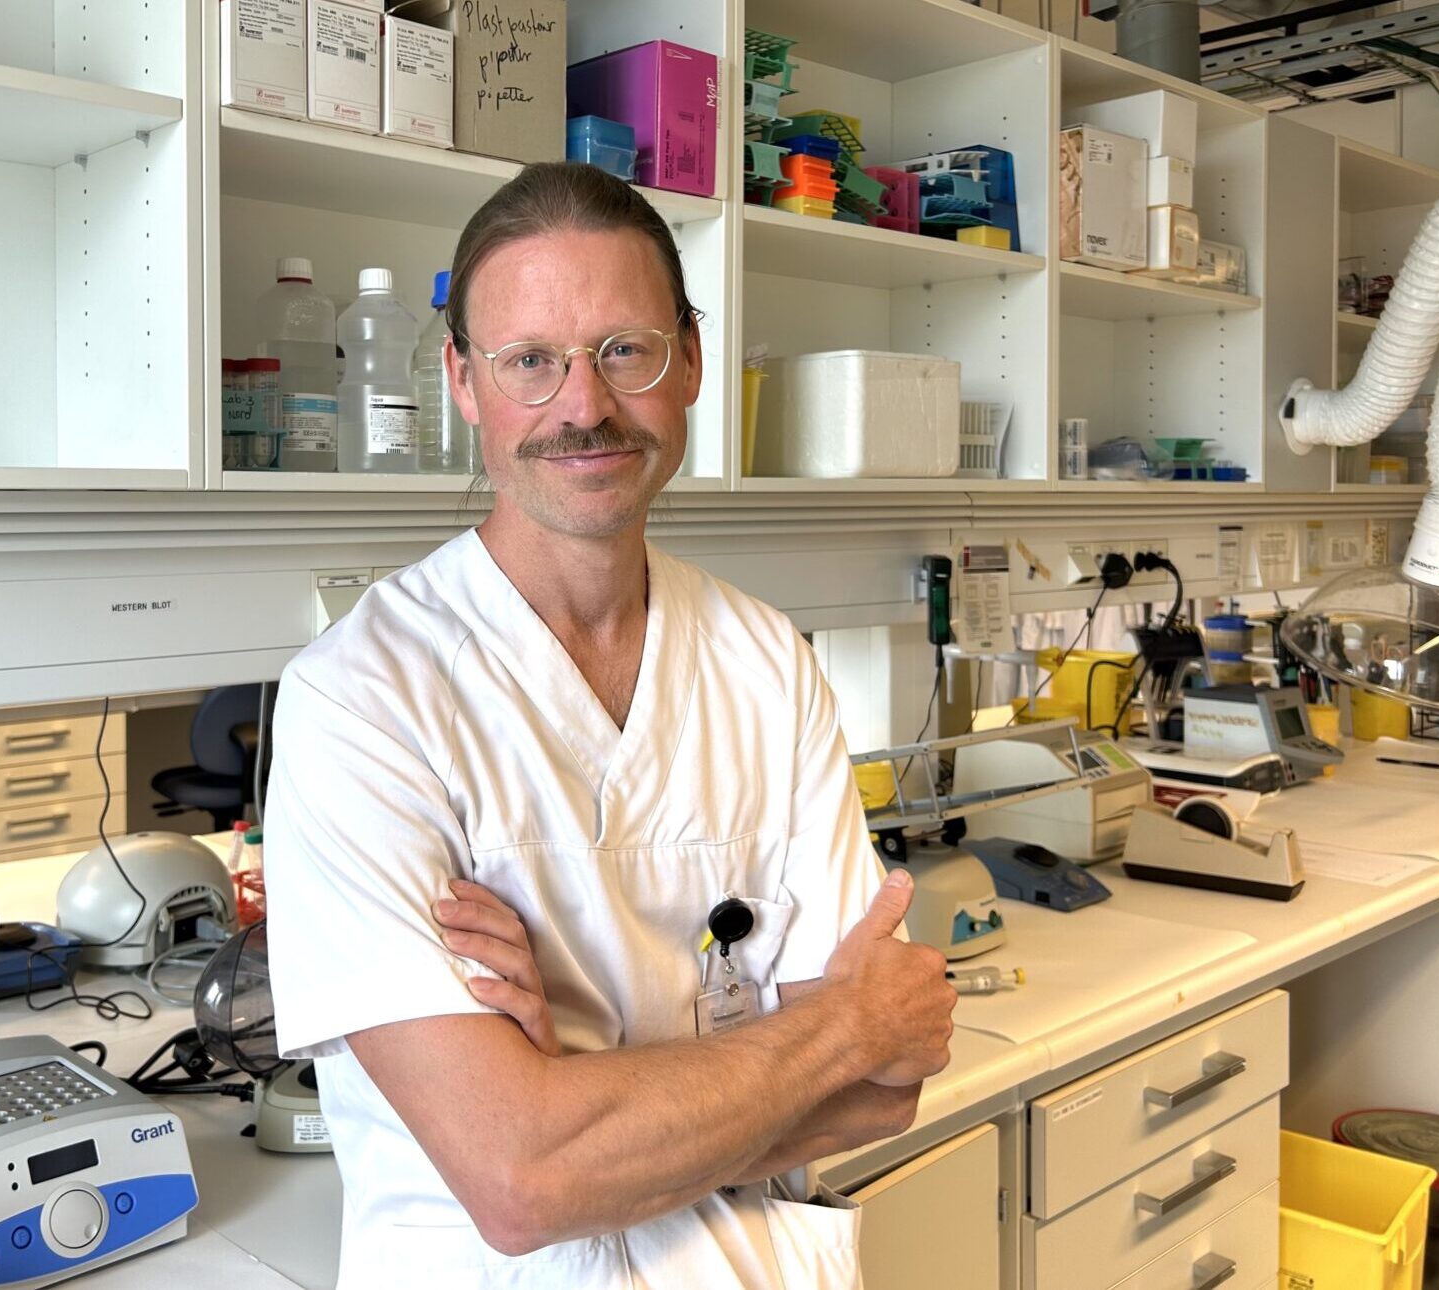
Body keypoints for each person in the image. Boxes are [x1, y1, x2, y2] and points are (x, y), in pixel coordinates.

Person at [264, 162, 958, 1289]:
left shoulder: (768, 665)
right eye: (529, 360)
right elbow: (521, 1181)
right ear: (463, 381)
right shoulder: (363, 699)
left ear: (690, 360)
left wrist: (577, 1095)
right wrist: (840, 1031)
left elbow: (881, 1096)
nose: (582, 406)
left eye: (624, 351)